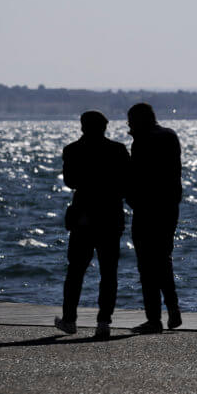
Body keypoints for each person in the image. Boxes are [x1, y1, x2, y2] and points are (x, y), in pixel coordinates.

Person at [55, 111, 130, 338]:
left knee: (75, 271)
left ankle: (69, 319)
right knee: (109, 273)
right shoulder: (118, 150)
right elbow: (127, 181)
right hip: (110, 216)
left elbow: (70, 182)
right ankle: (104, 322)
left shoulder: (72, 150)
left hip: (83, 218)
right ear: (104, 127)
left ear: (82, 127)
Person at [126, 102, 183, 333]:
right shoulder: (170, 136)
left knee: (147, 266)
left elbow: (135, 175)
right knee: (163, 259)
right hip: (169, 207)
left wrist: (131, 200)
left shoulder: (142, 141)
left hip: (146, 209)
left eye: (130, 121)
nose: (128, 126)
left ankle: (154, 318)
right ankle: (173, 308)